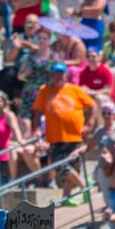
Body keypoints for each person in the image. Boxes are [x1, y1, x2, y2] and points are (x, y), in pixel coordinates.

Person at [32, 62, 97, 204]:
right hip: (55, 137)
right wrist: (36, 129)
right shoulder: (45, 91)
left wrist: (90, 124)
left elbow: (92, 105)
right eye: (55, 74)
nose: (58, 77)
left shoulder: (75, 90)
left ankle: (67, 197)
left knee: (73, 167)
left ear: (66, 75)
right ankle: (85, 186)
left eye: (61, 74)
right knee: (59, 165)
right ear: (51, 76)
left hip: (75, 136)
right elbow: (37, 112)